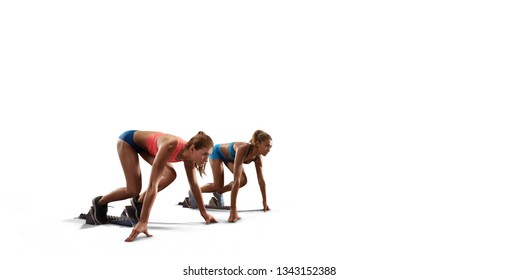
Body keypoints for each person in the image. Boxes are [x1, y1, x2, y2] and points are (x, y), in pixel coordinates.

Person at [91, 130, 217, 242]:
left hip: (148, 148)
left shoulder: (190, 158)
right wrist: (143, 221)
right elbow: (153, 184)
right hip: (129, 142)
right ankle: (100, 202)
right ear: (192, 149)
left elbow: (194, 185)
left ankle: (139, 201)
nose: (206, 159)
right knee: (133, 190)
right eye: (204, 154)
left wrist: (204, 213)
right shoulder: (170, 145)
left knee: (170, 175)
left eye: (209, 155)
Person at [196, 129, 272, 222]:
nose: (269, 150)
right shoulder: (243, 149)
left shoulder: (257, 158)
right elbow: (236, 180)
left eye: (270, 147)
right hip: (217, 153)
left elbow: (261, 180)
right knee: (217, 185)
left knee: (243, 180)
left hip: (230, 158)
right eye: (267, 146)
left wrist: (264, 202)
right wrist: (233, 210)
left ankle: (218, 193)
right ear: (257, 144)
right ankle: (195, 191)